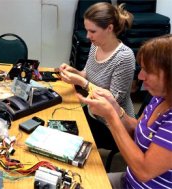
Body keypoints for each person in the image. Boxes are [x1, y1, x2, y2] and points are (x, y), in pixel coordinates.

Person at [77, 34, 172, 189]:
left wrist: (111, 116)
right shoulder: (160, 97)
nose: (141, 76)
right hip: (128, 181)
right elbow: (137, 129)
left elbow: (144, 171)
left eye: (148, 71)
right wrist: (116, 108)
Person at [59, 2, 135, 150]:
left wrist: (81, 82)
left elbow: (111, 102)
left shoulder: (124, 57)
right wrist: (74, 71)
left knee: (67, 138)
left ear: (109, 28)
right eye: (87, 30)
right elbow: (87, 74)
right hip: (93, 112)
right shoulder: (96, 45)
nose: (88, 36)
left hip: (113, 125)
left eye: (92, 31)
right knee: (60, 118)